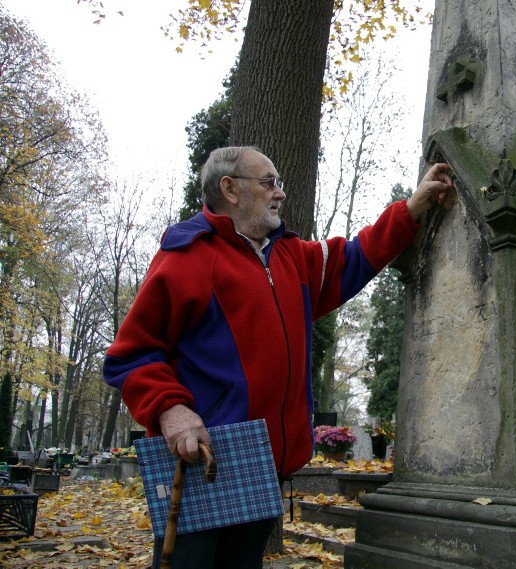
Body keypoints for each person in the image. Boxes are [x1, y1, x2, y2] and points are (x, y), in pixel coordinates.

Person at [103, 146, 453, 568]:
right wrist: (171, 410)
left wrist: (412, 207)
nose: (280, 194)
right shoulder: (186, 257)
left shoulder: (290, 256)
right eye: (269, 182)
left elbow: (355, 256)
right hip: (203, 465)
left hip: (260, 467)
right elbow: (131, 355)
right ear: (230, 189)